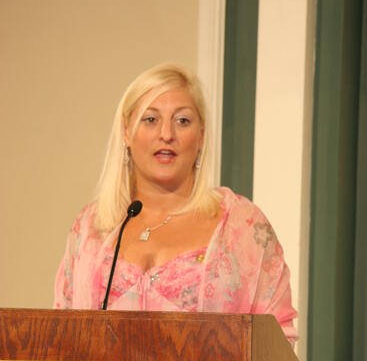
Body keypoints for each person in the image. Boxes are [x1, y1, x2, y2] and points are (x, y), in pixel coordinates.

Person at [54, 63, 298, 346]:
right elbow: (62, 333)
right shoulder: (90, 227)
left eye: (182, 121)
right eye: (150, 120)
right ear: (126, 133)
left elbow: (277, 340)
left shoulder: (241, 225)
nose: (166, 134)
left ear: (201, 136)